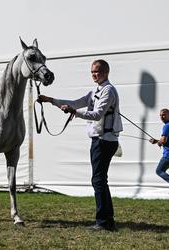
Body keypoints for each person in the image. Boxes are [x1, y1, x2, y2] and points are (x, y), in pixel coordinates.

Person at [38, 59, 123, 231]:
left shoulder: (109, 91)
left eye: (97, 71)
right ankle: (107, 220)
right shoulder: (95, 91)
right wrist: (51, 100)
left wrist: (74, 112)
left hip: (104, 141)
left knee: (98, 180)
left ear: (106, 72)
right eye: (92, 72)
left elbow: (97, 114)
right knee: (100, 180)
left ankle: (103, 222)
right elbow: (76, 102)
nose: (94, 74)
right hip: (101, 140)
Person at [149, 108, 169, 183]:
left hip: (167, 155)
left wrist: (158, 142)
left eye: (164, 115)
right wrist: (157, 141)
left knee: (159, 171)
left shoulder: (167, 126)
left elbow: (163, 140)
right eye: (160, 115)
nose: (162, 117)